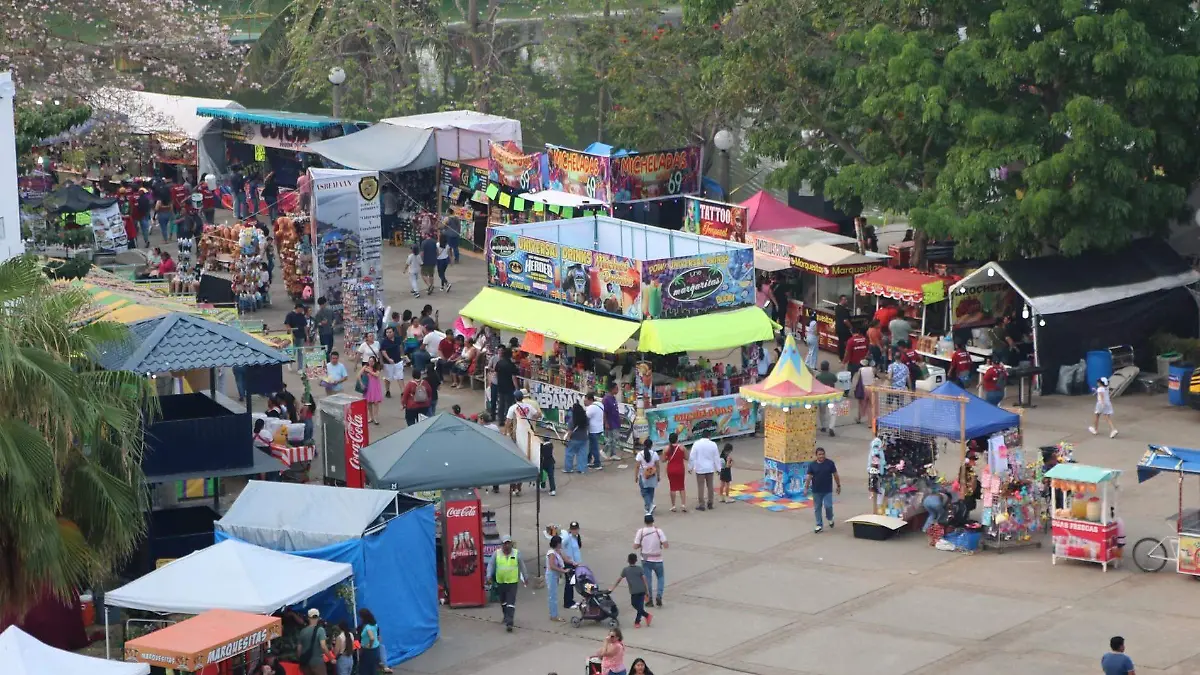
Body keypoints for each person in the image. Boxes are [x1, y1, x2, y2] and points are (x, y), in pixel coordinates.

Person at [485, 534, 528, 632]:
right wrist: (488, 576)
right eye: (505, 544)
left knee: (510, 603)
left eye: (509, 543)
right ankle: (506, 616)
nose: (507, 546)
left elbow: (522, 565)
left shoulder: (517, 553)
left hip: (512, 582)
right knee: (503, 602)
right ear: (502, 545)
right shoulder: (497, 554)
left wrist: (525, 577)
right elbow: (491, 565)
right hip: (501, 582)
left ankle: (509, 622)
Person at [633, 515, 667, 607]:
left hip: (645, 559)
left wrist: (642, 544)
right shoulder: (658, 531)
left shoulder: (641, 532)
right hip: (658, 559)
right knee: (660, 577)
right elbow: (666, 545)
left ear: (645, 522)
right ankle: (659, 595)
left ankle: (649, 600)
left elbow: (635, 546)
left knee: (647, 580)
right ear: (653, 521)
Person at [611, 552, 652, 628]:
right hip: (641, 589)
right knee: (637, 605)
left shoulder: (626, 570)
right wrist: (647, 591)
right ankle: (647, 616)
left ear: (628, 560)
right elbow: (644, 580)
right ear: (636, 560)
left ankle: (637, 621)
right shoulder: (639, 568)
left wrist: (613, 587)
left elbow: (619, 579)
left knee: (637, 606)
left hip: (635, 591)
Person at [805, 447, 841, 533]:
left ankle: (830, 517)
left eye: (823, 454)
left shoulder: (830, 463)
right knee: (817, 508)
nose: (821, 456)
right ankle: (819, 524)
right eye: (819, 454)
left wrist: (838, 485)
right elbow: (809, 477)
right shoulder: (812, 465)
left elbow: (835, 475)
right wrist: (806, 488)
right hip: (816, 490)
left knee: (828, 506)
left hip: (827, 490)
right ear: (816, 455)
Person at [690, 432, 720, 511]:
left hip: (700, 468)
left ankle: (701, 504)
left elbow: (692, 457)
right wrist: (718, 468)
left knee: (700, 486)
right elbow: (716, 457)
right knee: (710, 486)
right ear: (709, 436)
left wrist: (690, 467)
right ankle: (710, 502)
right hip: (710, 468)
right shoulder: (713, 444)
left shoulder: (696, 444)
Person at [295, 608, 328, 675]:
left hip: (306, 663)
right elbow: (323, 646)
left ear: (308, 618)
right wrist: (331, 658)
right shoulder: (320, 630)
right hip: (317, 663)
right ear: (318, 618)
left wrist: (301, 660)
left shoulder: (303, 631)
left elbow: (299, 650)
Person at [663, 433, 688, 512]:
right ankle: (683, 505)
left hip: (671, 469)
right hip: (680, 469)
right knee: (681, 487)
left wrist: (668, 457)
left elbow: (663, 460)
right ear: (677, 439)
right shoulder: (682, 447)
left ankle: (673, 506)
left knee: (672, 487)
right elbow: (687, 457)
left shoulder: (666, 448)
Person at [545, 535, 567, 622]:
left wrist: (573, 562)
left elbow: (565, 559)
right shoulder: (552, 553)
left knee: (554, 595)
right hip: (551, 575)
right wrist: (563, 571)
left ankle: (554, 614)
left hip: (555, 575)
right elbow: (552, 566)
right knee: (553, 596)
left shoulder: (557, 551)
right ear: (557, 544)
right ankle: (554, 615)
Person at [563, 402, 590, 475]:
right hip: (584, 438)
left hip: (574, 439)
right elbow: (588, 427)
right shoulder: (586, 418)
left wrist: (567, 438)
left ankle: (568, 468)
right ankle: (581, 469)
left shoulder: (572, 420)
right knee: (582, 454)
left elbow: (570, 431)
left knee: (569, 453)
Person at [636, 439, 660, 515]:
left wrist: (636, 476)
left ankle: (649, 505)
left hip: (643, 475)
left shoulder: (640, 454)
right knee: (651, 491)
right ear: (651, 445)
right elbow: (657, 466)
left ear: (644, 445)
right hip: (652, 475)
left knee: (644, 492)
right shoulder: (655, 454)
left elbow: (637, 466)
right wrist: (658, 476)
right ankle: (648, 507)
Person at [815, 361, 839, 437]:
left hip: (822, 397)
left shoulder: (818, 376)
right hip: (831, 396)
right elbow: (835, 380)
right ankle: (831, 427)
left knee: (822, 413)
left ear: (821, 367)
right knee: (832, 413)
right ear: (828, 367)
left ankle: (823, 426)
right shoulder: (832, 375)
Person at [494, 347, 519, 419]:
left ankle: (500, 419)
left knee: (501, 404)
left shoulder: (499, 363)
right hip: (509, 387)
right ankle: (508, 419)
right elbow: (513, 378)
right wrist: (517, 388)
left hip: (500, 386)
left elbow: (495, 374)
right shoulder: (511, 365)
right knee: (508, 405)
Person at [562, 521, 583, 608]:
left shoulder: (577, 537)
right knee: (569, 582)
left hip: (575, 563)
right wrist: (567, 558)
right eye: (573, 529)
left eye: (576, 529)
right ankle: (567, 603)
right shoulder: (568, 538)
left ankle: (571, 600)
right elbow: (561, 546)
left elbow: (579, 546)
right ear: (570, 529)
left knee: (572, 582)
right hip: (569, 563)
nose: (575, 531)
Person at [379, 326, 405, 397]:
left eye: (390, 332)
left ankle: (403, 391)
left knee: (400, 376)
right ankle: (387, 391)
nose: (388, 334)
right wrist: (388, 359)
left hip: (398, 361)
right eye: (387, 332)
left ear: (393, 332)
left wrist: (403, 356)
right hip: (388, 363)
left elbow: (400, 347)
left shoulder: (398, 339)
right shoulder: (384, 342)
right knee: (388, 378)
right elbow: (383, 352)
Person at [358, 357, 384, 425]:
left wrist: (369, 371)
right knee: (369, 402)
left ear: (375, 362)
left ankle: (375, 417)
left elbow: (377, 375)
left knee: (376, 403)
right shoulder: (365, 366)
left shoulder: (377, 367)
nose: (371, 363)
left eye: (372, 361)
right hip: (368, 387)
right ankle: (371, 417)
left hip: (375, 387)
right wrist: (361, 383)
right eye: (370, 361)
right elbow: (358, 375)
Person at [584, 393, 606, 470]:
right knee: (592, 446)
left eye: (585, 400)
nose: (584, 402)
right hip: (599, 428)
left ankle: (597, 463)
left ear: (590, 400)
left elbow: (585, 418)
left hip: (593, 430)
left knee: (594, 447)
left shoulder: (591, 408)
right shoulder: (600, 405)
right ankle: (588, 460)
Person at [357, 608, 382, 675]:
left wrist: (369, 645)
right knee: (373, 669)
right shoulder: (374, 624)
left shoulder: (367, 627)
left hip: (368, 651)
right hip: (375, 650)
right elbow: (378, 636)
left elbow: (372, 638)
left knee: (365, 669)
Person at [602, 384, 623, 459]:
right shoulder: (606, 399)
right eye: (616, 389)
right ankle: (604, 450)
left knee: (615, 438)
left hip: (615, 421)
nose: (617, 390)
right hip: (610, 422)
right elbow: (604, 412)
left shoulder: (613, 398)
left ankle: (613, 454)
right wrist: (606, 422)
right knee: (612, 438)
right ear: (612, 389)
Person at [285, 303, 308, 371]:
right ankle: (290, 362)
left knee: (300, 352)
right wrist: (290, 333)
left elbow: (305, 326)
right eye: (301, 309)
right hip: (293, 336)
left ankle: (300, 368)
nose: (302, 310)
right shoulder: (290, 315)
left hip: (301, 336)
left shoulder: (302, 316)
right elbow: (287, 324)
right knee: (293, 351)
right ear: (298, 308)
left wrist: (306, 335)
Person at [852, 358, 876, 424]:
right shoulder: (873, 369)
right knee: (871, 406)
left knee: (861, 404)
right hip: (872, 388)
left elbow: (858, 379)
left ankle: (859, 419)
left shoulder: (860, 370)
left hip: (864, 388)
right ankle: (870, 423)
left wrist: (855, 388)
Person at [834, 294, 853, 362]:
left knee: (841, 342)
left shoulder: (837, 307)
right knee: (845, 342)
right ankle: (843, 357)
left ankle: (842, 356)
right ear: (841, 300)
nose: (846, 301)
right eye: (845, 300)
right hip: (843, 329)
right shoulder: (842, 309)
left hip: (839, 328)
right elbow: (845, 320)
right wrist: (851, 327)